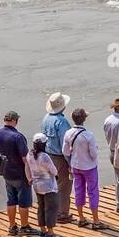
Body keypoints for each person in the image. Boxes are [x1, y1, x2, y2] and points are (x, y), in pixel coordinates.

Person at [0, 111, 36, 236]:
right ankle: (24, 226)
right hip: (19, 173)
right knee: (23, 201)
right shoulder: (18, 137)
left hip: (6, 171)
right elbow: (25, 159)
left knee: (11, 200)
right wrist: (30, 175)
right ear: (16, 121)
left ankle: (12, 226)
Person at [63, 107, 105, 229]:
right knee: (93, 192)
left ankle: (81, 218)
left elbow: (65, 151)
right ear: (84, 119)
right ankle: (96, 220)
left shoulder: (68, 133)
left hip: (75, 165)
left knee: (78, 190)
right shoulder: (89, 135)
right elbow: (93, 154)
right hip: (89, 166)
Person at [41, 92, 74, 222]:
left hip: (48, 155)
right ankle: (62, 213)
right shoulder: (62, 121)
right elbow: (65, 144)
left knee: (51, 185)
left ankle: (51, 210)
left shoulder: (46, 118)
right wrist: (70, 163)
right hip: (60, 158)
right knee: (64, 185)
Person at [26, 134, 62, 237]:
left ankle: (42, 230)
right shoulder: (44, 156)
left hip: (37, 185)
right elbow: (54, 170)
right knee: (51, 208)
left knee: (41, 207)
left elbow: (27, 168)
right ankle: (50, 232)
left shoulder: (30, 154)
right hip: (48, 186)